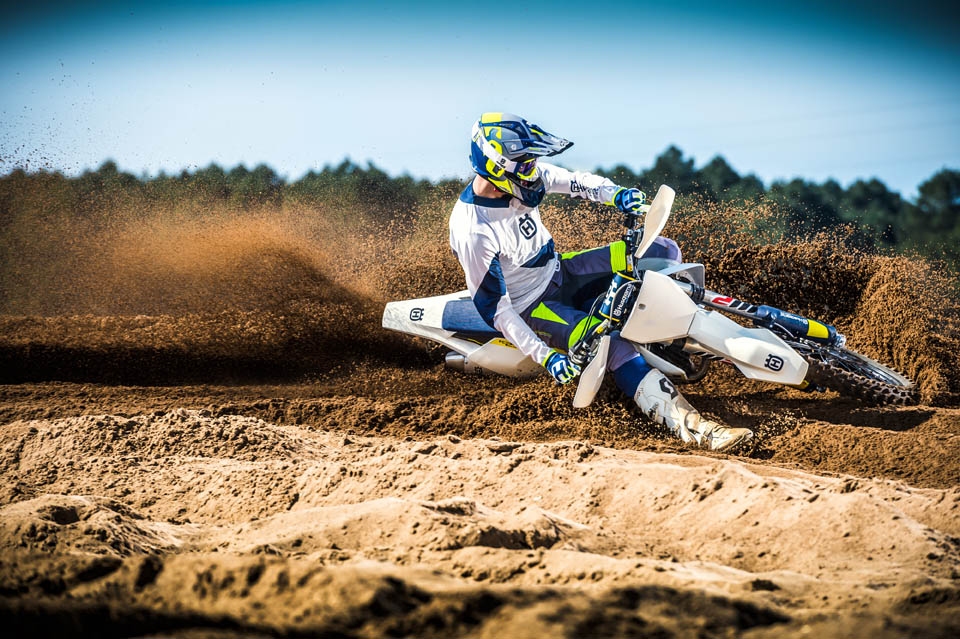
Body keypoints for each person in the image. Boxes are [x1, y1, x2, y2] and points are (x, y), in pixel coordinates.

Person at [448, 112, 753, 452]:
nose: (533, 170)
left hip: (561, 270)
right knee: (614, 345)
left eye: (533, 161)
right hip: (534, 308)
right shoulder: (474, 231)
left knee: (662, 250)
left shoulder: (521, 177)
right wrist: (546, 357)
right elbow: (498, 310)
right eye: (526, 164)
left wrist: (617, 195)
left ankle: (673, 339)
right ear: (496, 167)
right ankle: (697, 430)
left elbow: (577, 182)